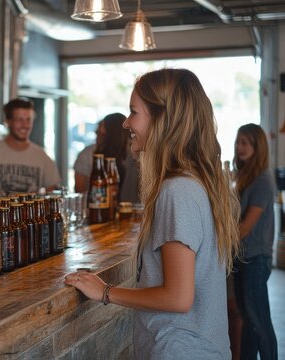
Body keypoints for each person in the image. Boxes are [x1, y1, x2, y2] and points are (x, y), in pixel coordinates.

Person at [65, 68, 240, 359]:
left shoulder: (177, 191)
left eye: (133, 112)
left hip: (179, 349)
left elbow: (178, 297)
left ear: (162, 120)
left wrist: (105, 291)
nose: (125, 123)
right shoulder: (194, 182)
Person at [232, 123, 277, 360]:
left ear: (257, 147)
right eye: (238, 141)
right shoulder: (245, 176)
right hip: (244, 257)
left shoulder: (262, 180)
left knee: (259, 322)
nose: (240, 147)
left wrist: (218, 242)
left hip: (255, 259)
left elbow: (246, 226)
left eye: (246, 143)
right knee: (250, 320)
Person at [0, 98, 61, 205]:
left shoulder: (42, 156)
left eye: (28, 120)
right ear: (8, 121)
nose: (25, 125)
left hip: (29, 220)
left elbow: (53, 192)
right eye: (19, 120)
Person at [73, 113, 139, 203]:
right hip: (102, 210)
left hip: (127, 211)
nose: (97, 131)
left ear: (112, 132)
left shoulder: (134, 155)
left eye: (102, 127)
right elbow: (79, 189)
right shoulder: (90, 154)